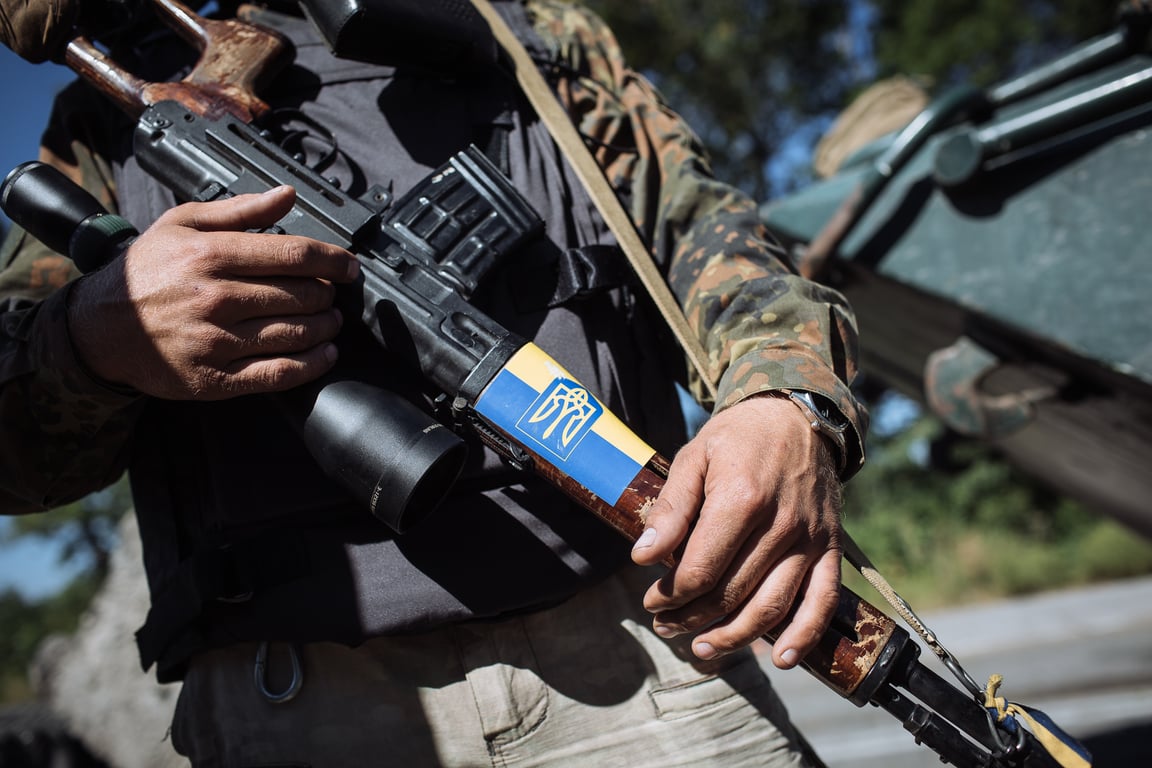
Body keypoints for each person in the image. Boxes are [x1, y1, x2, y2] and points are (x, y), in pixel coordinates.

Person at [0, 0, 868, 765]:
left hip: (644, 651)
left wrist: (785, 401)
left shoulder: (525, 31)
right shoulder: (93, 133)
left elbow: (700, 233)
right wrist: (89, 339)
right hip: (302, 707)